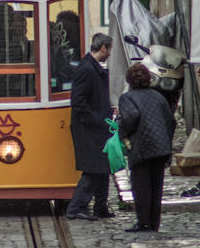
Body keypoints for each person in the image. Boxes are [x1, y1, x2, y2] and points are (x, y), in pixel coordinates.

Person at [118, 62, 176, 233]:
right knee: (156, 186)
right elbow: (171, 121)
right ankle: (153, 223)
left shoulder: (127, 98)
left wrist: (123, 133)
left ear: (129, 81)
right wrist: (166, 141)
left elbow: (131, 117)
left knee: (141, 185)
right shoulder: (158, 96)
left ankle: (143, 222)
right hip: (161, 147)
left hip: (141, 147)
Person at [66, 33, 114, 221]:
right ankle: (76, 206)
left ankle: (100, 207)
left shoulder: (91, 67)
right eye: (109, 50)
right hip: (89, 128)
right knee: (94, 168)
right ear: (103, 48)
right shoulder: (87, 69)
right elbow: (78, 100)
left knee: (102, 167)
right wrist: (95, 119)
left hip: (96, 125)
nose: (110, 53)